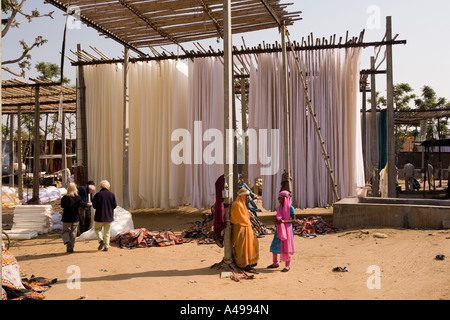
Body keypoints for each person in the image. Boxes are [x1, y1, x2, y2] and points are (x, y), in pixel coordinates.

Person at [230, 188, 259, 273]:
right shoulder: (237, 204)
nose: (248, 198)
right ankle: (244, 265)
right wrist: (247, 222)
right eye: (247, 196)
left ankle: (249, 264)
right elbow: (238, 219)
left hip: (246, 228)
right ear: (242, 196)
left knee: (249, 246)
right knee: (242, 247)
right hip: (240, 229)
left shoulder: (242, 204)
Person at [267, 190, 296, 272]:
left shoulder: (291, 208)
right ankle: (275, 263)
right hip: (279, 229)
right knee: (274, 245)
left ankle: (287, 265)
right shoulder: (280, 207)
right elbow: (277, 217)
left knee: (287, 247)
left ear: (284, 199)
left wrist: (284, 221)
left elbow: (294, 220)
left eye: (280, 198)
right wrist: (277, 222)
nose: (278, 199)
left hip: (287, 230)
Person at [92, 180, 117, 252]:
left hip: (99, 216)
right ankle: (106, 246)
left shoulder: (97, 195)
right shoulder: (112, 195)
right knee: (107, 232)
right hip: (109, 216)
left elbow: (94, 206)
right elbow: (114, 205)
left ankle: (101, 240)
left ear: (101, 186)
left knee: (97, 229)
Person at [61, 182, 83, 253]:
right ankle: (72, 246)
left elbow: (62, 206)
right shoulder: (78, 197)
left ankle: (67, 241)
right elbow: (80, 205)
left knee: (65, 230)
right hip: (75, 216)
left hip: (67, 217)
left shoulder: (65, 197)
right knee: (73, 232)